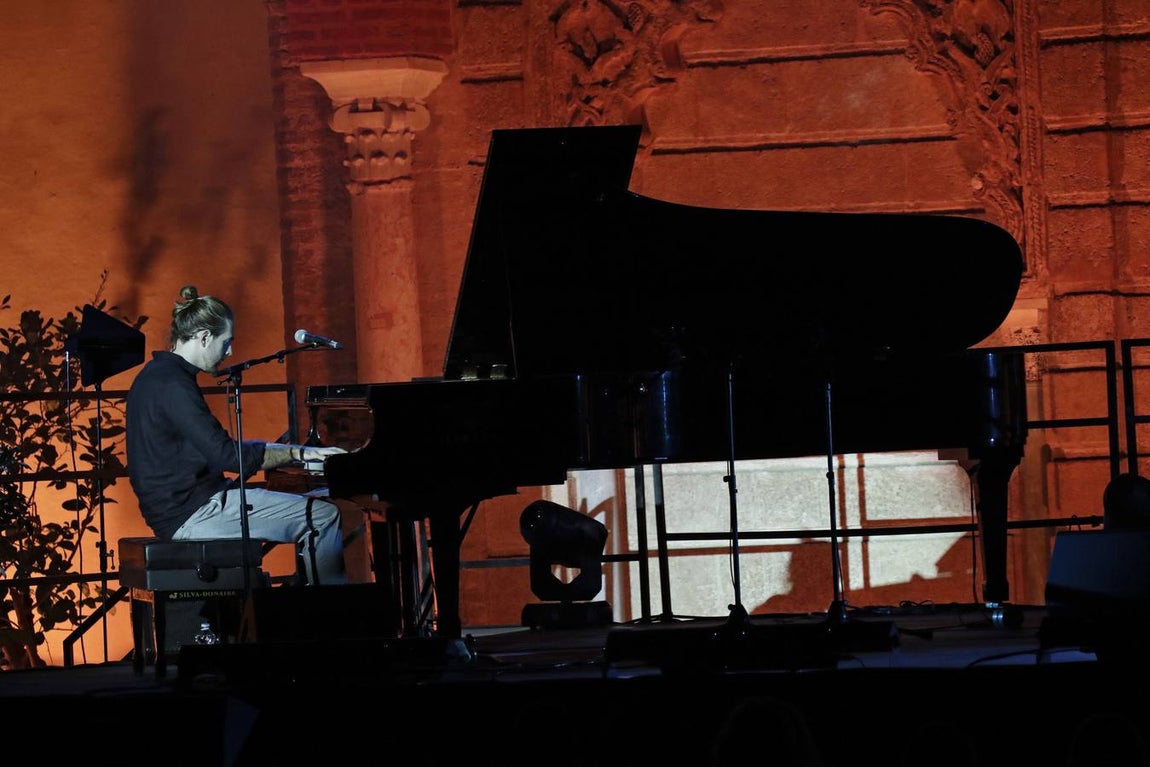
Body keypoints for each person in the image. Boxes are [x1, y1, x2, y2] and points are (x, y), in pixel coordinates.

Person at [126, 284, 348, 585]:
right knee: (323, 517)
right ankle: (334, 624)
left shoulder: (156, 376)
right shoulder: (173, 385)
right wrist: (300, 453)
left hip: (183, 507)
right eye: (226, 341)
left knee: (306, 506)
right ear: (204, 337)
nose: (229, 352)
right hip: (194, 514)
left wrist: (285, 454)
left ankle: (301, 605)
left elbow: (215, 452)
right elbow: (228, 456)